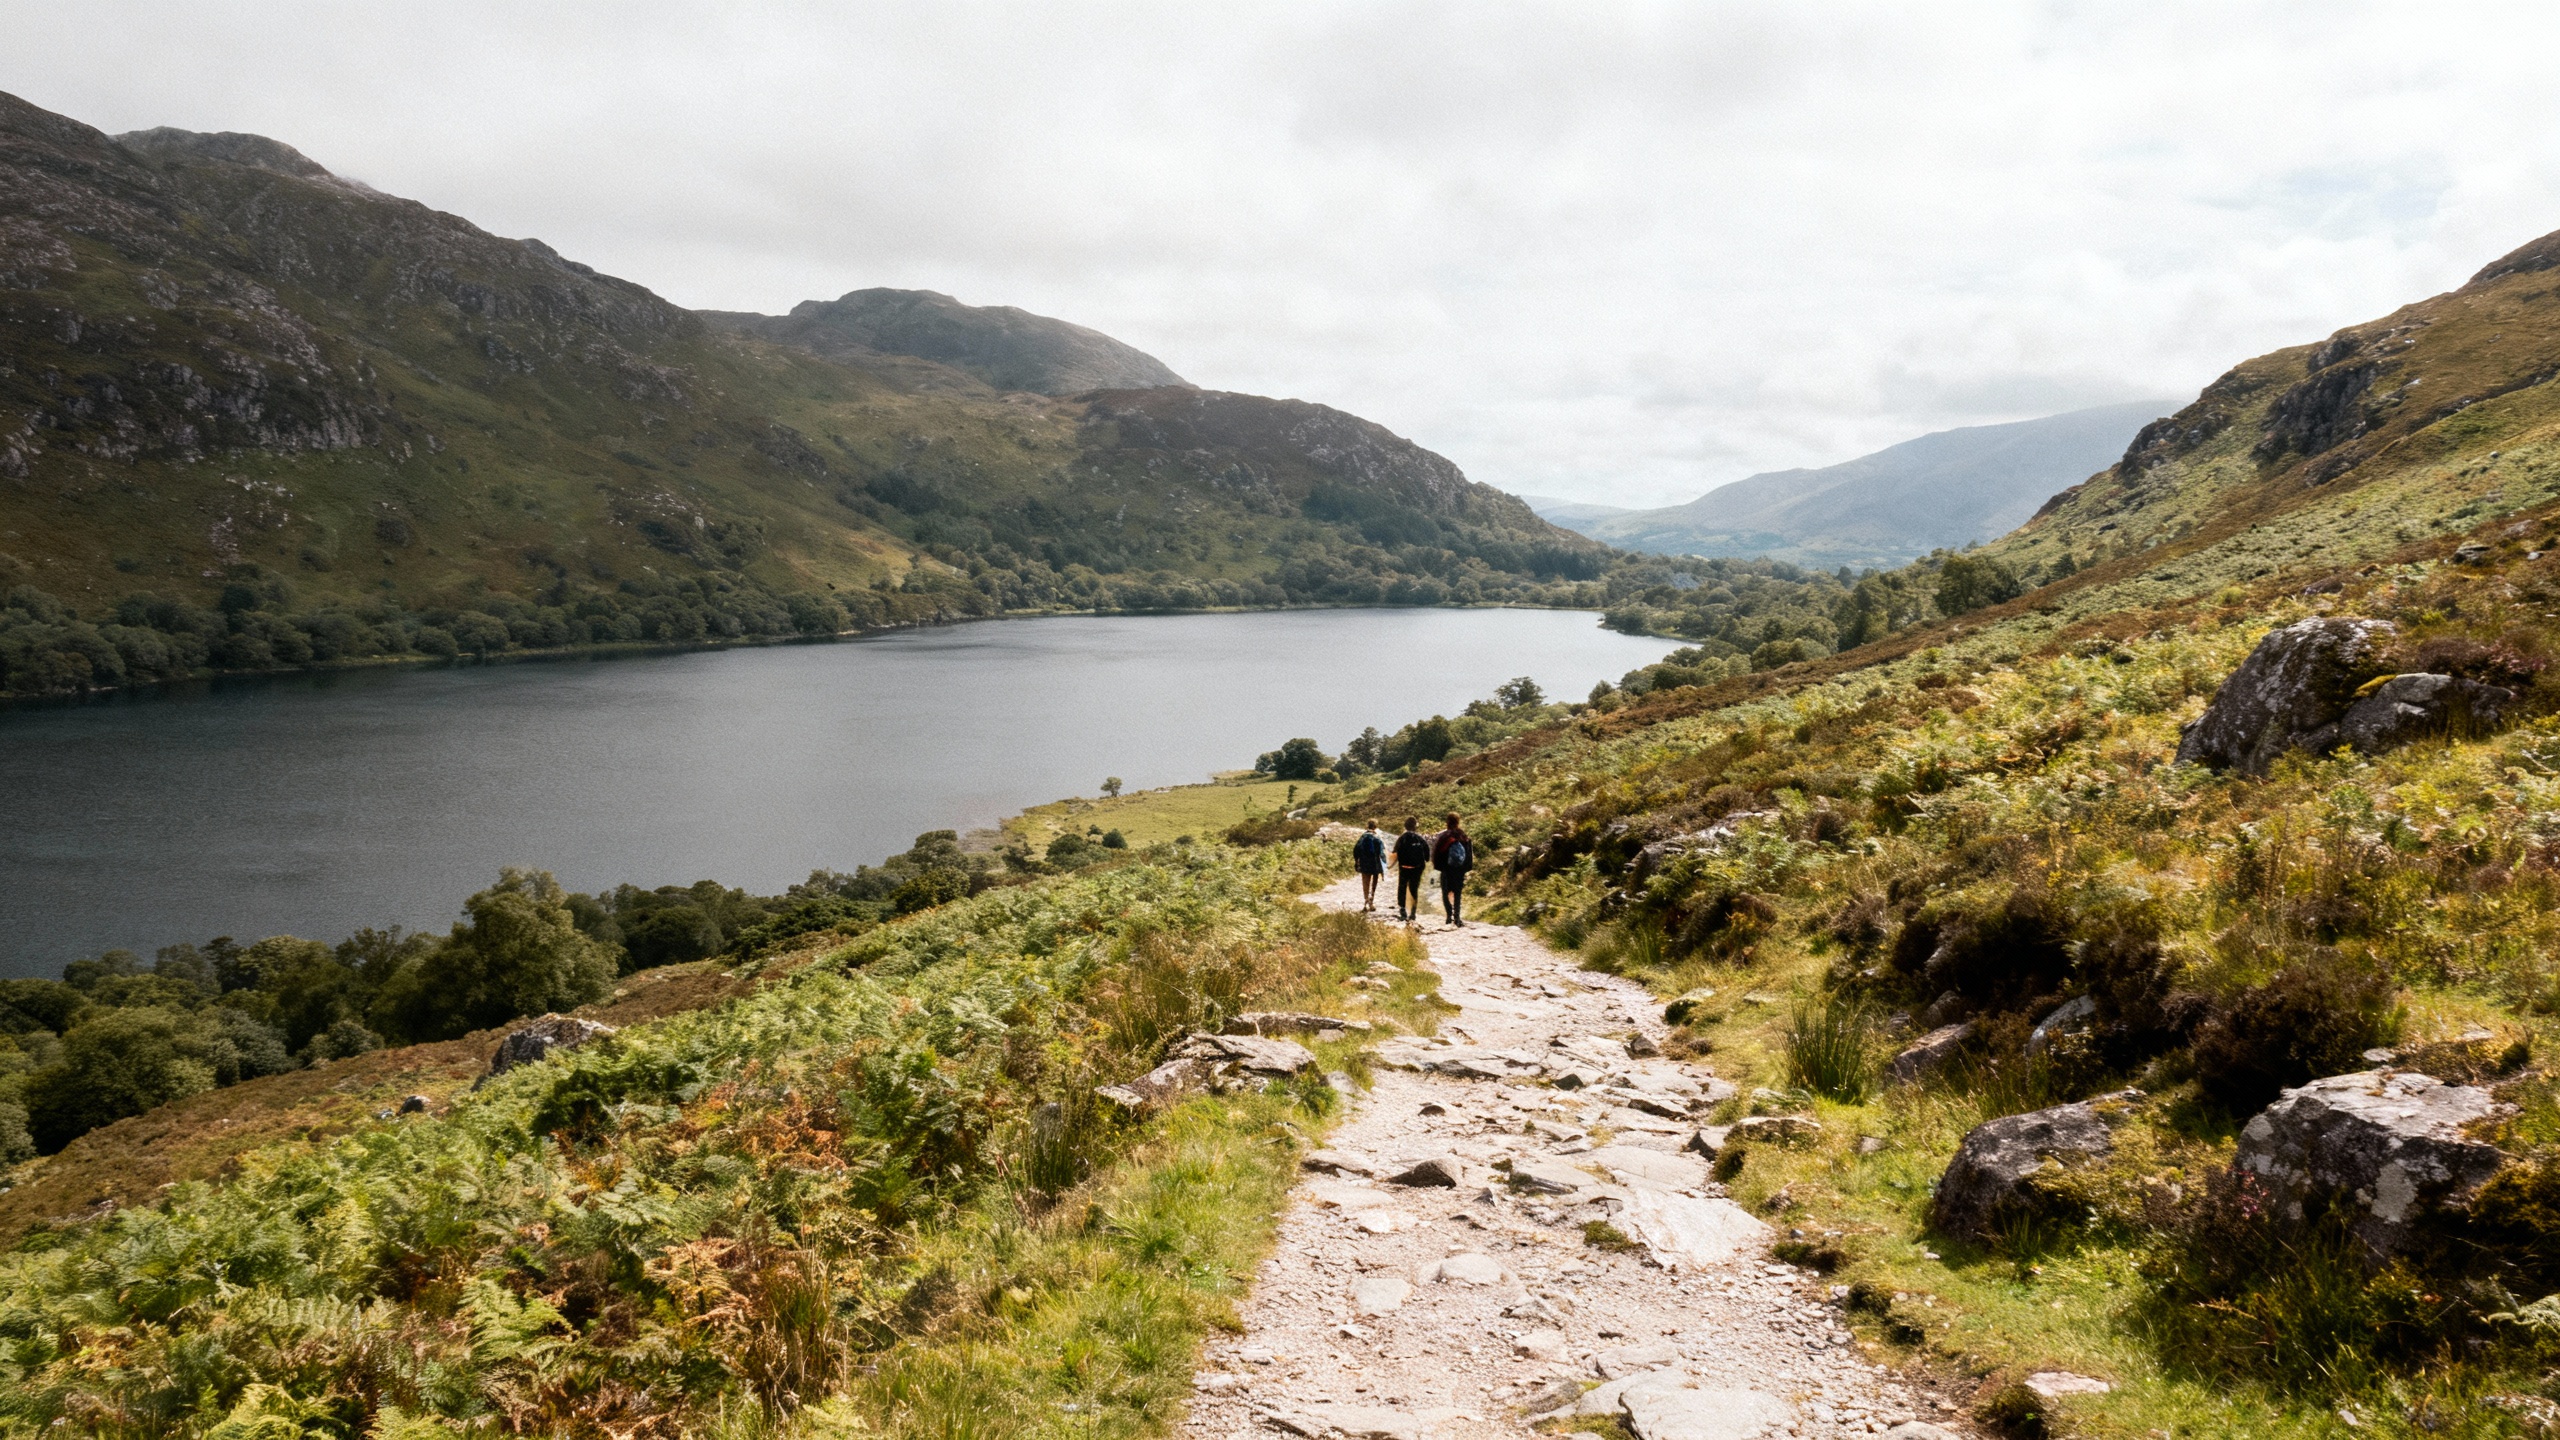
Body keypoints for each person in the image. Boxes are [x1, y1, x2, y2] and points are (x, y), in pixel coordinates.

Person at [1431, 812, 1474, 927]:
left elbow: (1437, 853)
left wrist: (1438, 866)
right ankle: (1457, 918)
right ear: (1458, 822)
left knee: (1445, 892)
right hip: (1459, 870)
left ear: (1447, 822)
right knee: (1457, 893)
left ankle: (1449, 915)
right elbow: (1469, 853)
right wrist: (1466, 868)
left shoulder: (1445, 836)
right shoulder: (1463, 836)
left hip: (1446, 869)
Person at [1392, 816, 1431, 922]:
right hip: (1417, 867)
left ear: (1405, 826)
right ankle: (1413, 912)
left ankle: (1402, 909)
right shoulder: (1419, 838)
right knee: (1414, 888)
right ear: (1415, 827)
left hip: (1404, 867)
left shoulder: (1402, 838)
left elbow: (1394, 851)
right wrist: (1426, 860)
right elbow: (1427, 852)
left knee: (1402, 887)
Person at [1351, 820, 1386, 910]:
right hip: (1375, 862)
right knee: (1374, 883)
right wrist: (1384, 865)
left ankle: (1366, 900)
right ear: (1375, 827)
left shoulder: (1363, 836)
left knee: (1366, 882)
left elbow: (1356, 850)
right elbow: (1382, 853)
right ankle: (1371, 901)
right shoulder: (1377, 837)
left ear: (1367, 826)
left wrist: (1357, 860)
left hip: (1365, 862)